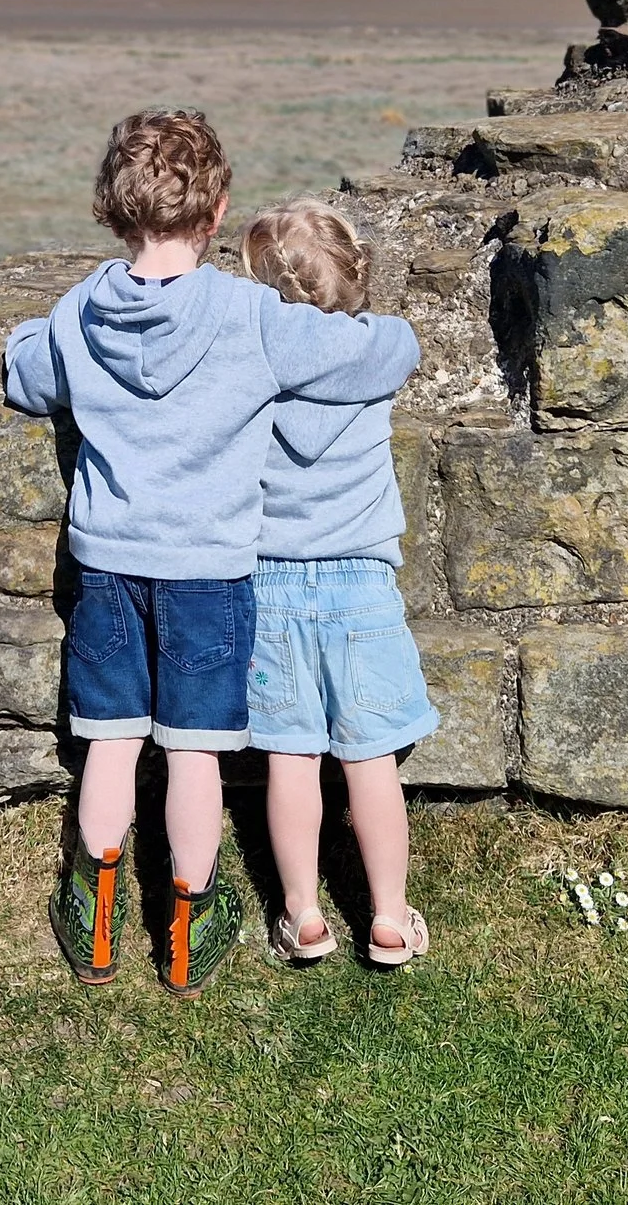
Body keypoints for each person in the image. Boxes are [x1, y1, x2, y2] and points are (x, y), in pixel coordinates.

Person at [4, 111, 419, 995]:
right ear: (219, 209)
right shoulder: (250, 314)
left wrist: (21, 341)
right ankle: (189, 916)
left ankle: (94, 910)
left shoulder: (80, 310)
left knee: (111, 742)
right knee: (195, 751)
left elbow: (28, 375)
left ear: (113, 212)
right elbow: (374, 356)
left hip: (109, 567)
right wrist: (399, 332)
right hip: (212, 574)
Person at [240, 199, 436, 968]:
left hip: (271, 579)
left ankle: (303, 914)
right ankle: (388, 917)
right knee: (371, 759)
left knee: (289, 758)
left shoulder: (255, 358)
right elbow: (400, 334)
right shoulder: (384, 347)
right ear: (357, 272)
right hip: (362, 581)